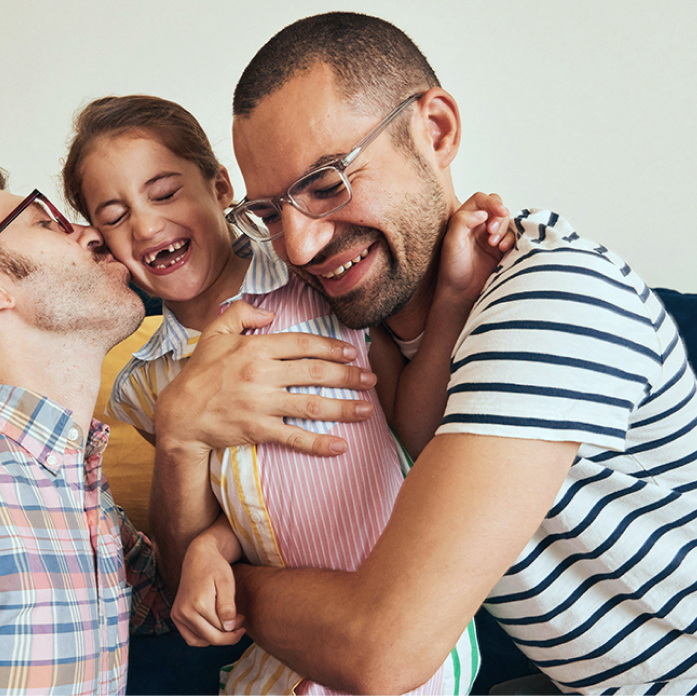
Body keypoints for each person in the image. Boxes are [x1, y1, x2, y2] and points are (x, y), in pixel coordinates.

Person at [145, 12, 697, 695]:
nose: (298, 247)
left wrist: (228, 581)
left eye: (326, 184)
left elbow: (380, 652)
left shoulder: (555, 297)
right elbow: (408, 444)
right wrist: (182, 447)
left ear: (434, 132)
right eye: (268, 213)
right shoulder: (352, 321)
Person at [60, 95, 513, 694]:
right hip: (280, 638)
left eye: (164, 193)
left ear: (221, 187)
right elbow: (236, 508)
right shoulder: (143, 382)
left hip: (400, 629)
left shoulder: (318, 278)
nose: (144, 225)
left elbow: (411, 433)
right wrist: (208, 551)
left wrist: (454, 296)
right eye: (114, 215)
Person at [0, 171, 173, 695]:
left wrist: (183, 441)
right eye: (48, 222)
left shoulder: (79, 479)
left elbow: (168, 605)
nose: (94, 233)